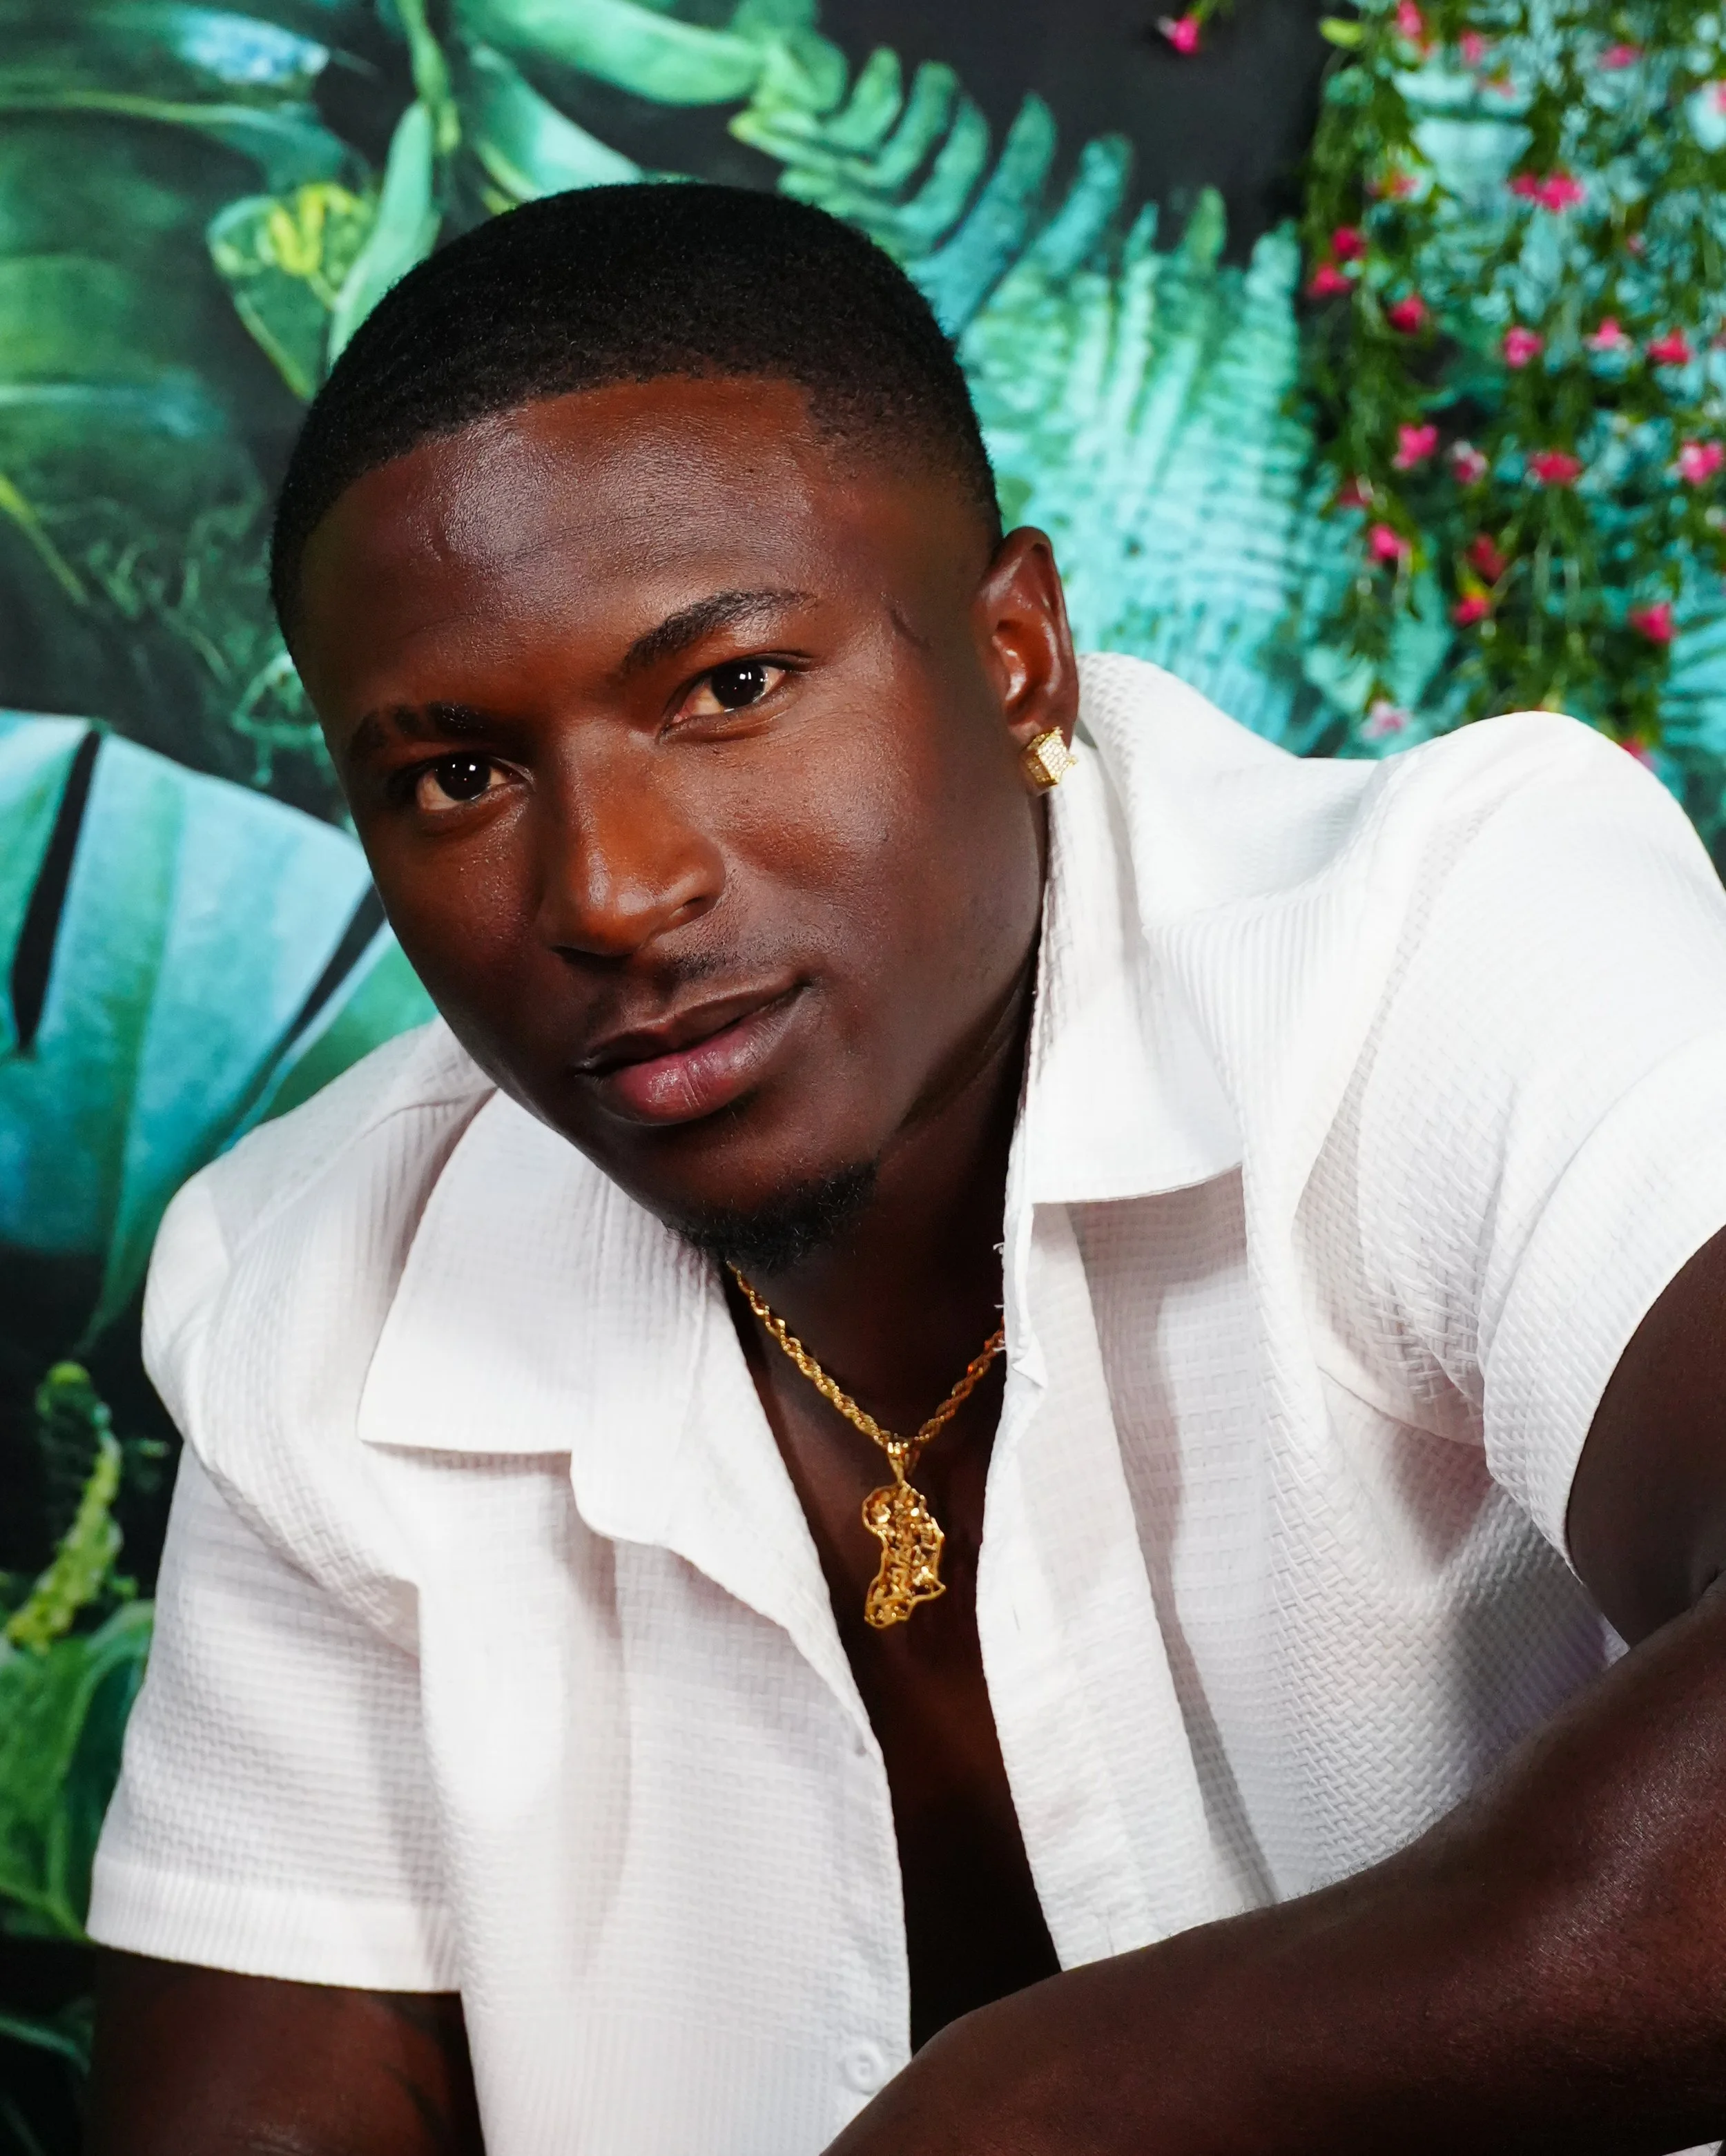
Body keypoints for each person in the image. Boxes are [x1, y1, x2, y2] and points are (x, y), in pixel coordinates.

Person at [85, 181, 1726, 2156]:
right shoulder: (315, 1283)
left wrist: (1026, 2115)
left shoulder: (1429, 947)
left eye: (730, 688)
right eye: (457, 776)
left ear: (1015, 651)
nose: (610, 892)